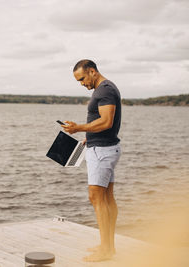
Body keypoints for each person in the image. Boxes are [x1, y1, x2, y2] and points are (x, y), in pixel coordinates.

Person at [61, 59, 121, 262]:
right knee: (106, 198)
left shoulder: (104, 90)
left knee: (96, 198)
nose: (82, 84)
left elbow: (106, 121)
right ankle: (108, 246)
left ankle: (106, 250)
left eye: (82, 78)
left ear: (93, 72)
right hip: (103, 146)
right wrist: (89, 136)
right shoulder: (105, 88)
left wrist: (78, 128)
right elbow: (104, 123)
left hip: (102, 151)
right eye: (78, 81)